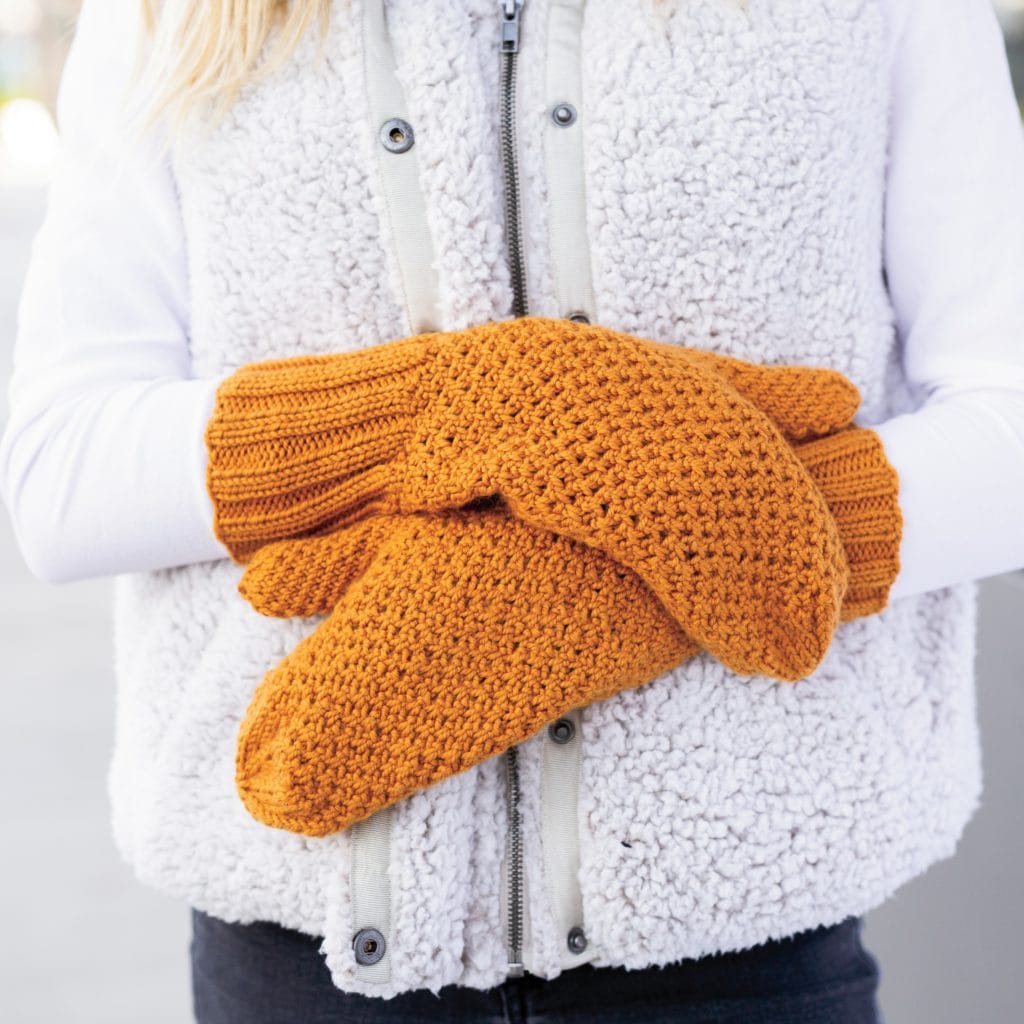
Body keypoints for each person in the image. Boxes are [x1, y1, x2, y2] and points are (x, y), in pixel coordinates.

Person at [2, 0, 1024, 1021]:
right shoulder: (170, 15)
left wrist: (619, 573)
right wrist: (464, 402)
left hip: (741, 953)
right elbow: (63, 472)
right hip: (303, 950)